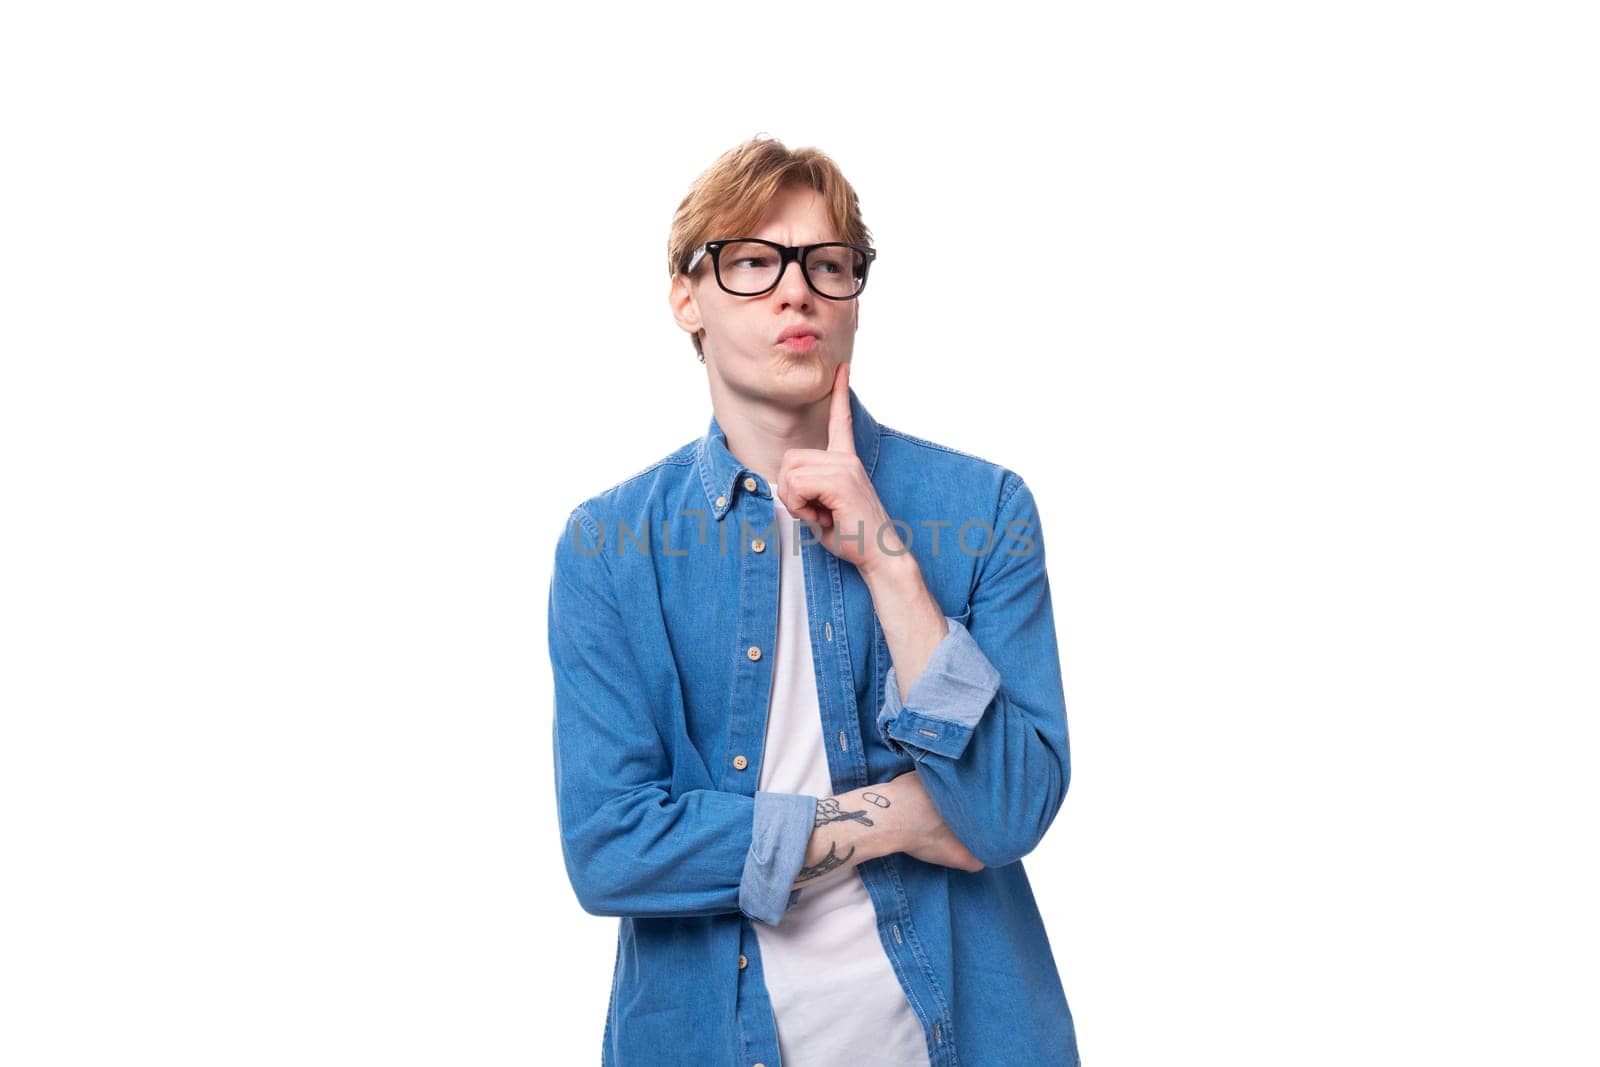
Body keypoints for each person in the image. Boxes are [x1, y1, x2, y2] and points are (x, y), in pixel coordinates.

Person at [547, 135, 1080, 1066]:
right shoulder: (610, 546)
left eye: (827, 264)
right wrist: (896, 817)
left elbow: (1006, 812)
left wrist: (887, 562)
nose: (796, 291)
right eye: (752, 262)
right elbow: (611, 847)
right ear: (687, 300)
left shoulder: (985, 508)